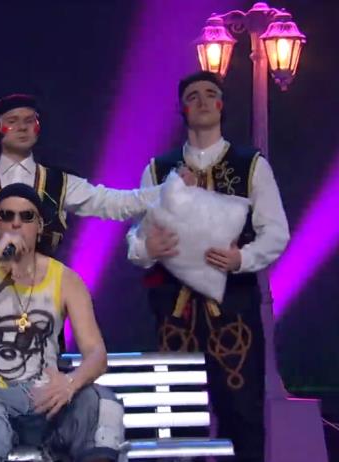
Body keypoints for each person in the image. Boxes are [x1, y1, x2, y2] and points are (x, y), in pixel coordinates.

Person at [126, 71, 290, 462]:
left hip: (234, 307)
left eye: (210, 93)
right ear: (182, 109)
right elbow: (135, 238)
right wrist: (147, 247)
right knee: (178, 415)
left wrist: (242, 259)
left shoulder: (250, 165)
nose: (201, 100)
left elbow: (276, 231)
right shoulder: (159, 169)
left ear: (221, 104)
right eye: (192, 96)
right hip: (174, 310)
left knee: (242, 411)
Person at [0, 183, 124, 462]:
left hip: (43, 398)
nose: (16, 223)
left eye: (26, 216)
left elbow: (96, 354)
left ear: (40, 226)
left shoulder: (65, 279)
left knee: (101, 404)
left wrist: (70, 382)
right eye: (6, 216)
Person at [0, 93, 160, 255]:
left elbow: (115, 203)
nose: (22, 127)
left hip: (43, 296)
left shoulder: (59, 183)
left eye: (30, 121)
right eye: (12, 121)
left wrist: (171, 189)